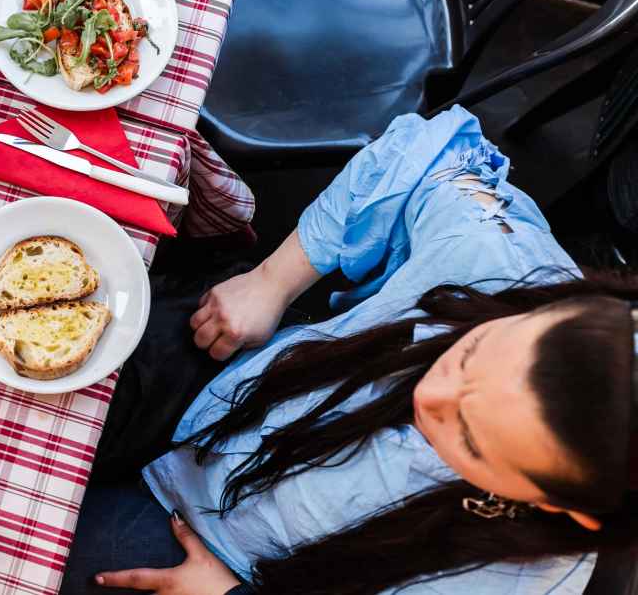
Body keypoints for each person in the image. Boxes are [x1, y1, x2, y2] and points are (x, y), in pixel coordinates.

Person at [64, 107, 638, 595]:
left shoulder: (516, 578)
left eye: (470, 435)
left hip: (231, 555)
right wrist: (273, 281)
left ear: (568, 508)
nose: (429, 393)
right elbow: (427, 152)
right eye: (469, 353)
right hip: (236, 387)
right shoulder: (510, 271)